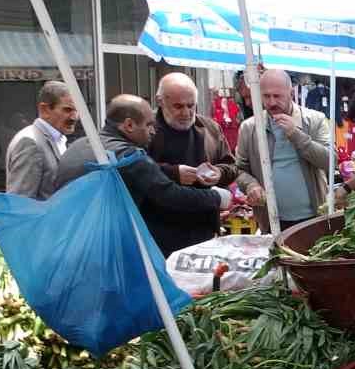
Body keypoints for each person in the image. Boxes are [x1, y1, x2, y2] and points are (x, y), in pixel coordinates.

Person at [54, 94, 232, 256]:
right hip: (101, 250)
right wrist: (216, 197)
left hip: (66, 242)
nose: (153, 131)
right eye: (148, 125)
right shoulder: (128, 155)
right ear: (129, 125)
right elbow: (171, 195)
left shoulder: (79, 145)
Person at [235, 69, 334, 228]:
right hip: (271, 221)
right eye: (266, 96)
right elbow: (239, 169)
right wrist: (250, 185)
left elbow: (330, 161)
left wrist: (296, 135)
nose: (272, 102)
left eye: (277, 96)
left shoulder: (315, 120)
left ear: (290, 93)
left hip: (314, 218)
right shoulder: (250, 127)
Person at [147, 72, 239, 238]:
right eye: (178, 106)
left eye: (191, 106)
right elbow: (136, 171)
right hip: (159, 229)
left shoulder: (210, 128)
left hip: (204, 227)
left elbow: (232, 167)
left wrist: (218, 173)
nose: (186, 113)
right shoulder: (147, 130)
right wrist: (174, 173)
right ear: (161, 101)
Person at [4, 81, 77, 201]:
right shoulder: (30, 142)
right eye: (68, 110)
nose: (74, 117)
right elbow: (20, 202)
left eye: (76, 110)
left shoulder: (56, 138)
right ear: (45, 109)